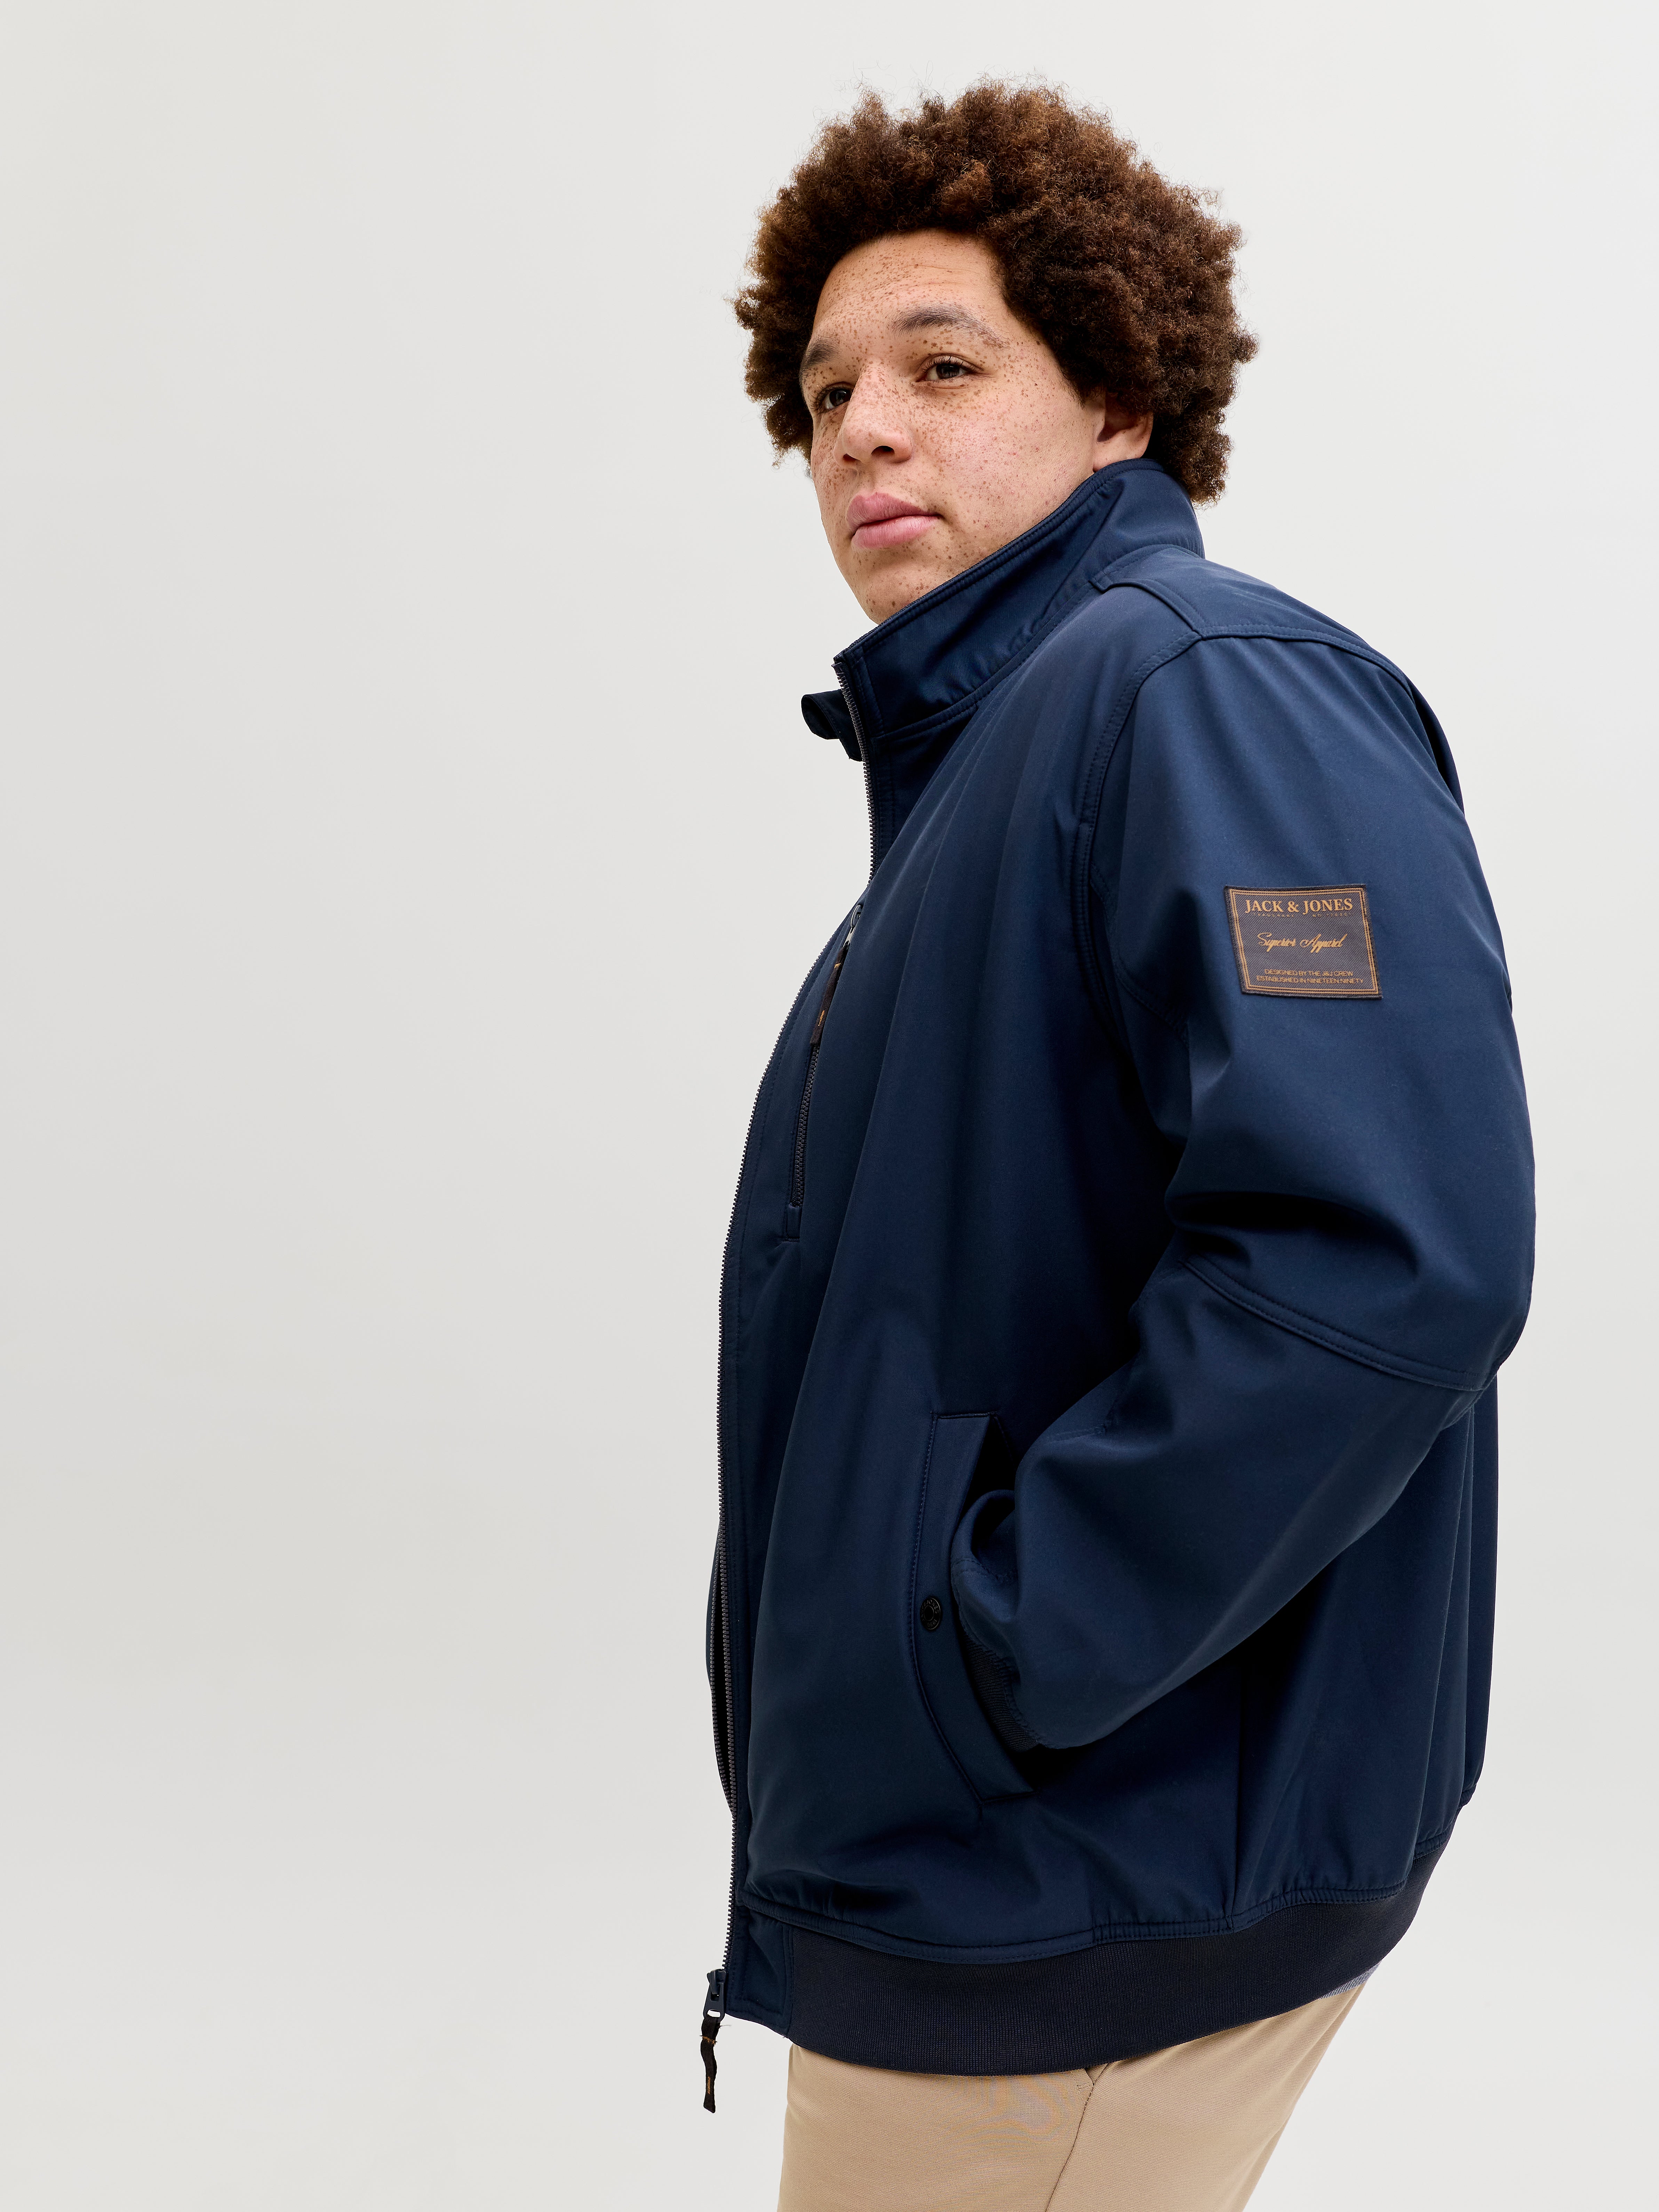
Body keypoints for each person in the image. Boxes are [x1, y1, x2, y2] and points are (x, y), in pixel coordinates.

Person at [700, 84, 1534, 2212]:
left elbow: (1382, 1257)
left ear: (1119, 400)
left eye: (942, 365)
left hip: (1070, 1875)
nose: (864, 430)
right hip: (1008, 1860)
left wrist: (996, 1647)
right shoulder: (1003, 759)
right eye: (825, 391)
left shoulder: (1200, 688)